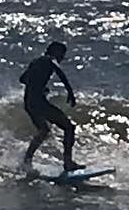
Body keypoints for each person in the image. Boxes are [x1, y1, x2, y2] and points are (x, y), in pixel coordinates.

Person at [20, 41, 82, 171]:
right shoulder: (50, 60)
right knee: (69, 127)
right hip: (39, 103)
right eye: (62, 54)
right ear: (54, 52)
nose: (62, 57)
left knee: (44, 130)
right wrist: (70, 92)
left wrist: (39, 86)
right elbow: (59, 71)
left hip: (29, 103)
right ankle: (68, 162)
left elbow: (23, 79)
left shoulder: (35, 62)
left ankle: (27, 161)